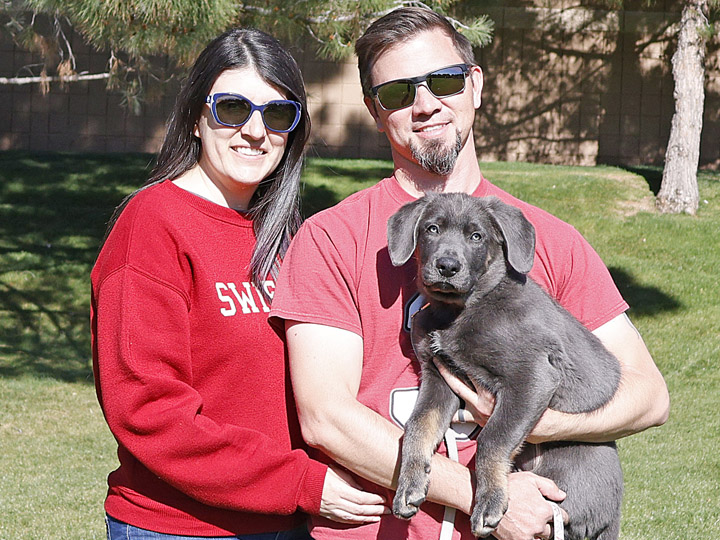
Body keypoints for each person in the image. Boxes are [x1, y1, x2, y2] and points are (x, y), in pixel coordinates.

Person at [269, 7, 669, 540]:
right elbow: (326, 417)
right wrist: (479, 489)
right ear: (372, 108)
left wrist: (546, 425)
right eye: (397, 92)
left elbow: (650, 397)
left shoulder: (545, 240)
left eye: (445, 80)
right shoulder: (333, 239)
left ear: (475, 85)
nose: (425, 104)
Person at [91, 27, 387, 540]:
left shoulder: (288, 236)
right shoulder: (153, 224)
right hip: (181, 527)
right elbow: (149, 412)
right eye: (232, 107)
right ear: (195, 117)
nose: (255, 131)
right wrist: (301, 483)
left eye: (277, 115)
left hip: (287, 521)